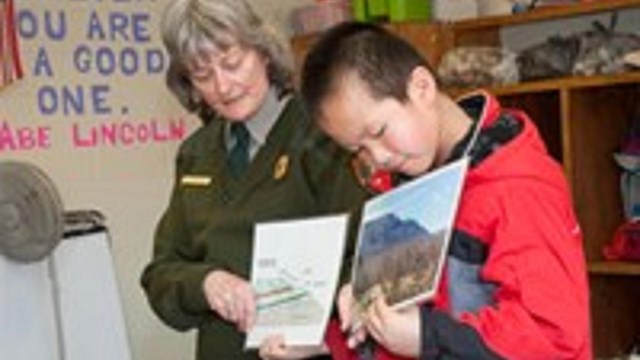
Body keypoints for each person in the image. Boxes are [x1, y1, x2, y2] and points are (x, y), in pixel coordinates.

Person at [261, 21, 591, 360]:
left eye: (378, 131)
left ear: (421, 87)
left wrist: (425, 335)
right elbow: (394, 324)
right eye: (358, 149)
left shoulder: (519, 189)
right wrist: (329, 340)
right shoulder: (402, 186)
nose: (378, 157)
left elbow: (552, 336)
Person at [139, 1, 367, 359]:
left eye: (232, 64)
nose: (223, 86)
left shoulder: (322, 135)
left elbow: (369, 259)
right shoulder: (196, 153)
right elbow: (161, 275)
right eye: (202, 75)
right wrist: (205, 283)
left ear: (263, 50)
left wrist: (320, 323)